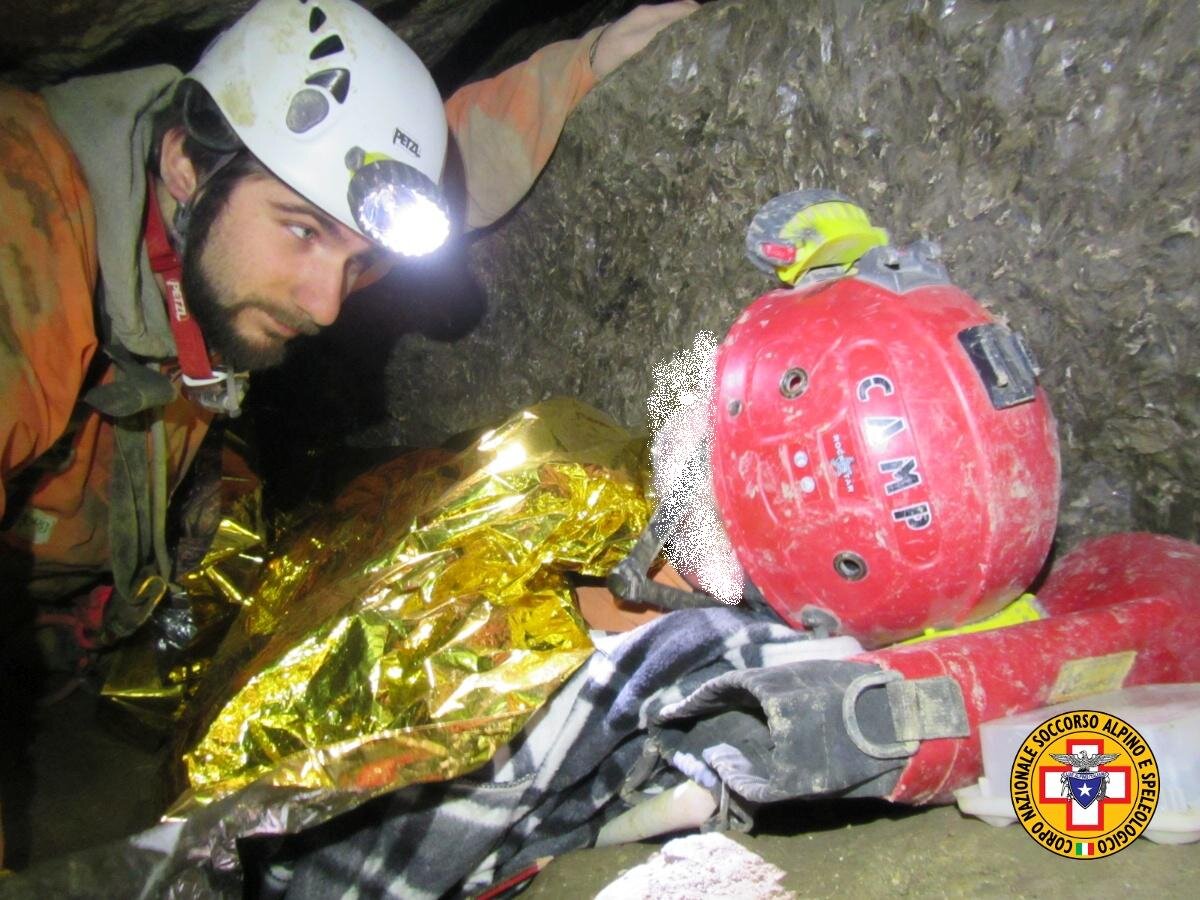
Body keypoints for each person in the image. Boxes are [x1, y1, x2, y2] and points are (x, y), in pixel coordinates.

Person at [0, 0, 697, 868]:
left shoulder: (233, 217)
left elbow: (422, 170)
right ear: (186, 161)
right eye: (304, 234)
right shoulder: (22, 234)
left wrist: (588, 62)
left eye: (358, 260)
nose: (328, 303)